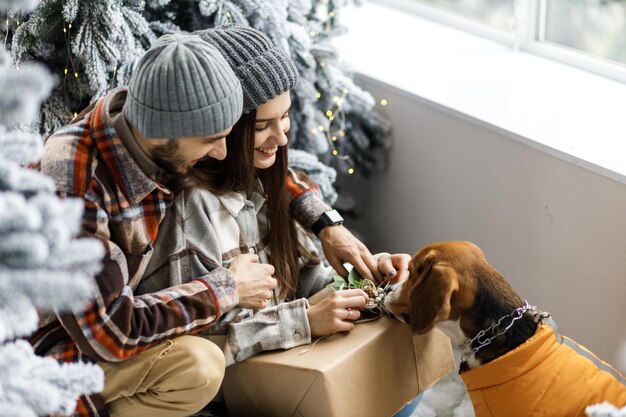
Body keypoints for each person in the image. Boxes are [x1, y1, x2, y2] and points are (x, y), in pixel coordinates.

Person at [32, 32, 399, 417]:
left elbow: (260, 162)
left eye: (228, 136)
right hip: (54, 354)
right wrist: (228, 287)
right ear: (163, 135)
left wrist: (324, 222)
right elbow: (112, 334)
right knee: (199, 366)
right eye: (213, 139)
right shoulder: (75, 192)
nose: (222, 152)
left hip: (108, 331)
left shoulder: (152, 104)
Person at [138, 26, 410, 369]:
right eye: (264, 124)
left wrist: (372, 278)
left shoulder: (267, 181)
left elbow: (306, 280)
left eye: (285, 116)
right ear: (225, 126)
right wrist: (303, 321)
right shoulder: (191, 208)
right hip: (247, 382)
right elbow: (193, 345)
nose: (281, 138)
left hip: (298, 361)